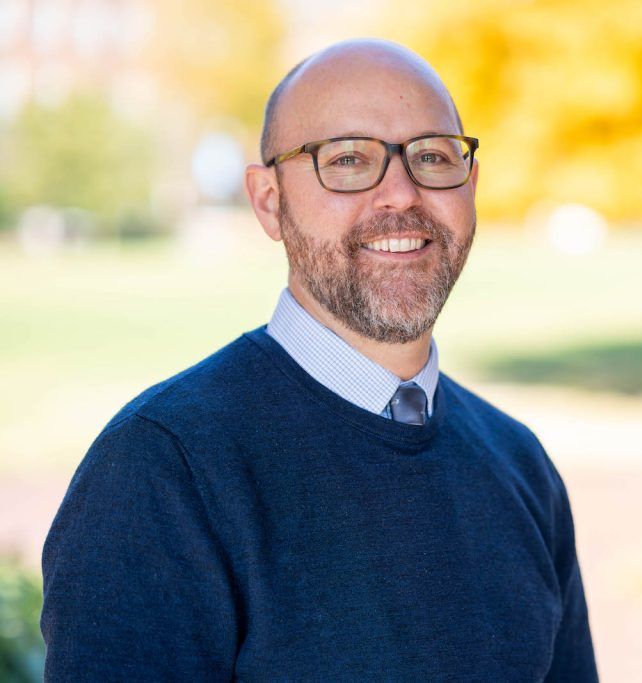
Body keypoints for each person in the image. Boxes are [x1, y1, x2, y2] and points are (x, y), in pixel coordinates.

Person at [39, 39, 598, 681]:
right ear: (269, 202)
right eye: (350, 159)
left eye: (433, 156)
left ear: (470, 186)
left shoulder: (520, 466)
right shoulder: (162, 469)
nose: (401, 195)